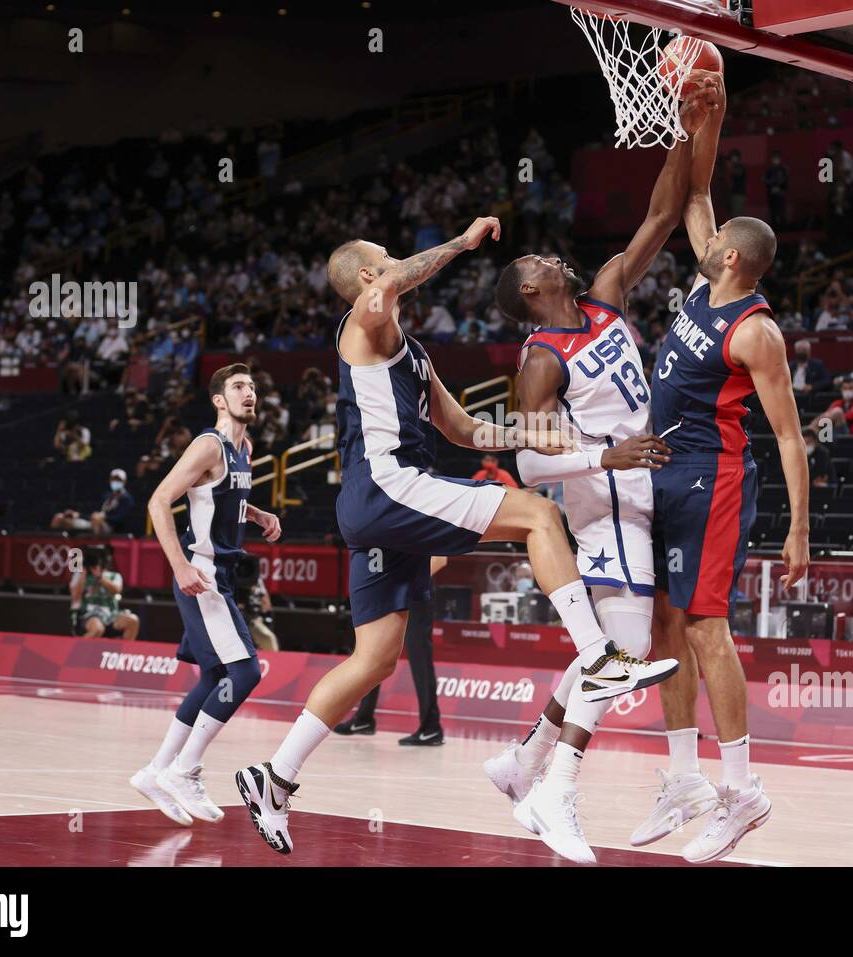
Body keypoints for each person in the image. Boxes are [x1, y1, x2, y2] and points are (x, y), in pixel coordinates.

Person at [235, 216, 679, 856]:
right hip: (389, 486)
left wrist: (527, 435)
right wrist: (464, 245)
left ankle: (273, 778)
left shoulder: (409, 352)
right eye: (383, 257)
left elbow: (465, 430)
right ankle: (599, 657)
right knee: (537, 515)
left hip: (381, 503)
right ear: (366, 275)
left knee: (374, 660)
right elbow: (389, 285)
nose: (392, 263)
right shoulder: (362, 324)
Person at [480, 75, 721, 863]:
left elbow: (662, 210)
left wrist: (686, 126)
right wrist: (603, 455)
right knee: (617, 654)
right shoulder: (539, 361)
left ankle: (522, 764)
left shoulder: (607, 294)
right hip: (603, 500)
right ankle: (555, 791)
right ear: (527, 289)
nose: (555, 254)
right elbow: (525, 460)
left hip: (638, 492)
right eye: (539, 258)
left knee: (613, 650)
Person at [637, 104, 810, 864]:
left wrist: (800, 528)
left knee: (708, 628)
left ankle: (742, 793)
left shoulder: (756, 331)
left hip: (714, 480)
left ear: (732, 261)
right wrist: (704, 112)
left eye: (714, 244)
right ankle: (684, 777)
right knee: (664, 627)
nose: (702, 242)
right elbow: (699, 187)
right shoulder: (712, 276)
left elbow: (791, 435)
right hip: (666, 472)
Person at [129, 363, 283, 828]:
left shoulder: (246, 447)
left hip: (225, 574)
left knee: (213, 674)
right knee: (245, 671)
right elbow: (159, 500)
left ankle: (155, 772)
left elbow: (222, 497)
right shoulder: (207, 445)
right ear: (219, 399)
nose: (249, 393)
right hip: (202, 573)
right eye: (238, 387)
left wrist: (256, 515)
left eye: (253, 386)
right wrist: (180, 567)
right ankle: (184, 770)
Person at [335, 555, 447, 745]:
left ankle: (431, 727)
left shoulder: (424, 526)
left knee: (419, 656)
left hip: (415, 593)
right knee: (374, 651)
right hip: (391, 591)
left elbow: (440, 559)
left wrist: (406, 586)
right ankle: (364, 718)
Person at [70, 545, 140, 640]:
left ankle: (122, 653)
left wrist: (100, 577)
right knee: (98, 629)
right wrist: (83, 573)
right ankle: (77, 650)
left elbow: (117, 590)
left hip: (111, 614)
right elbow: (75, 596)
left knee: (133, 621)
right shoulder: (79, 575)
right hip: (89, 615)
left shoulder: (114, 576)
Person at [51, 468, 136, 534]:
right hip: (93, 523)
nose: (115, 482)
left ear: (124, 482)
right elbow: (93, 514)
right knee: (59, 517)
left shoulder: (127, 499)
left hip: (111, 527)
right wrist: (78, 515)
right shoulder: (106, 496)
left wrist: (104, 517)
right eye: (114, 479)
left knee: (96, 520)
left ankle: (97, 549)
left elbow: (120, 518)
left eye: (118, 480)